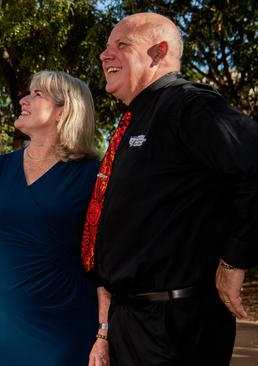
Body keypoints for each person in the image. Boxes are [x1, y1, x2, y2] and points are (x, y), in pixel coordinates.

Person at [84, 12, 258, 366]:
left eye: (122, 45)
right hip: (129, 321)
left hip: (176, 326)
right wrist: (105, 329)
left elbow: (254, 170)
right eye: (105, 47)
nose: (105, 55)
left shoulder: (190, 105)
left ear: (157, 52)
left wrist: (235, 260)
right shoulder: (134, 120)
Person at [0, 70, 101, 365]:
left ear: (63, 110)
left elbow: (105, 259)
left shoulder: (91, 175)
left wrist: (105, 332)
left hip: (64, 333)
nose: (23, 99)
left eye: (37, 94)